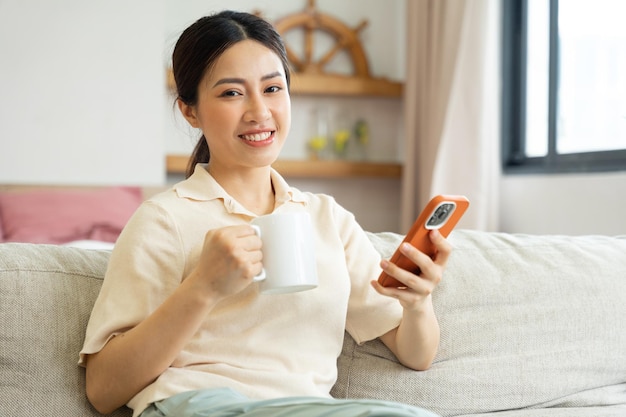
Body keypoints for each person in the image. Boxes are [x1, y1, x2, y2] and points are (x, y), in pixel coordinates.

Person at [79, 10, 450, 417]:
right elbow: (102, 389)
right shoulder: (164, 220)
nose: (259, 111)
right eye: (231, 93)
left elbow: (416, 354)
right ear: (190, 111)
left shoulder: (327, 219)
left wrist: (418, 304)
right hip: (196, 404)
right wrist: (203, 286)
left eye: (273, 88)